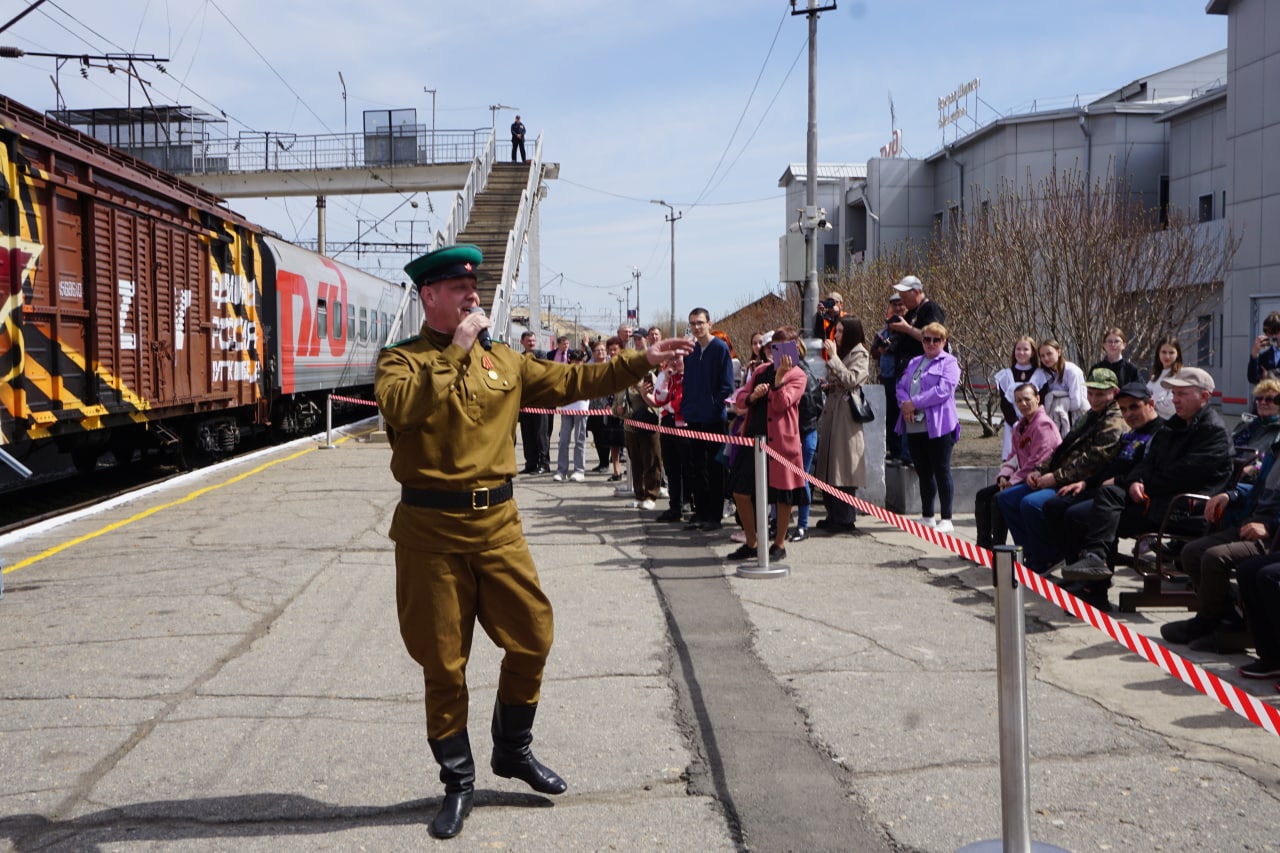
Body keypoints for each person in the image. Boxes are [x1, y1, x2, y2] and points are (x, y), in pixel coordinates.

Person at [374, 243, 692, 839]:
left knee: (533, 636)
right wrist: (458, 350)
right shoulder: (402, 362)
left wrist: (637, 360)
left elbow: (574, 378)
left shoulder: (507, 364)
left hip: (497, 527)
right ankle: (458, 782)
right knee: (444, 662)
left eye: (476, 289)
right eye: (459, 289)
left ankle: (510, 750)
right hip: (430, 536)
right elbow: (402, 409)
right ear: (430, 298)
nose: (474, 296)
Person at [1061, 367, 1232, 585]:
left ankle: (1094, 584)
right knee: (1104, 496)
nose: (1175, 400)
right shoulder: (1176, 424)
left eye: (1182, 394)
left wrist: (1137, 482)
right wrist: (1136, 480)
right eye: (1174, 394)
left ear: (1204, 397)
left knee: (1085, 515)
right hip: (1158, 498)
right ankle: (1094, 564)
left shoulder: (1213, 432)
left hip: (1183, 509)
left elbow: (1181, 476)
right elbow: (1149, 460)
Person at [1042, 382, 1166, 609]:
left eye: (1135, 407)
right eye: (1124, 409)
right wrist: (1084, 482)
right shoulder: (1133, 434)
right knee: (1055, 506)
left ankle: (1096, 589)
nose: (1129, 414)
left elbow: (1150, 471)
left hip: (1137, 500)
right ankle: (1078, 573)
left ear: (1150, 404)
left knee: (1077, 515)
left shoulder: (1161, 433)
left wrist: (1120, 481)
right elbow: (1111, 466)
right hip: (1111, 491)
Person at [997, 368, 1125, 574]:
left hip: (1083, 481)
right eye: (1090, 393)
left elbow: (1093, 460)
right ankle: (1032, 552)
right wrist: (1039, 471)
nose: (1093, 398)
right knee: (1005, 499)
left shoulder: (1113, 420)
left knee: (1031, 503)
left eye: (1100, 394)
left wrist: (1054, 477)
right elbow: (1062, 449)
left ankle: (1048, 556)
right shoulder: (1091, 415)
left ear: (1114, 392)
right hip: (1061, 475)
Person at [727, 326, 809, 562]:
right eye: (775, 346)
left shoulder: (798, 375)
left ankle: (779, 544)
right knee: (740, 491)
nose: (778, 353)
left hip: (781, 444)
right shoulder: (761, 369)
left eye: (784, 347)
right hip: (753, 439)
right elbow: (741, 396)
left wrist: (779, 379)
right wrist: (753, 397)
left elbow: (783, 403)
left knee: (784, 496)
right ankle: (751, 542)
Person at [973, 383, 1061, 551]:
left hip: (1040, 478)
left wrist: (1012, 482)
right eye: (1019, 400)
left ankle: (998, 549)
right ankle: (982, 546)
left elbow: (1037, 461)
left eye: (1027, 399)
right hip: (1022, 476)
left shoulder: (1043, 425)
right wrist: (1004, 476)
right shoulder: (1021, 425)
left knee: (998, 498)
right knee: (982, 496)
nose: (1023, 404)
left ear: (1038, 398)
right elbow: (1014, 455)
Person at [896, 322, 961, 531]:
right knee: (923, 471)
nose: (931, 343)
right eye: (927, 339)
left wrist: (914, 403)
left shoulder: (949, 363)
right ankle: (927, 515)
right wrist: (905, 405)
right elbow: (901, 386)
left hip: (940, 425)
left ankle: (947, 518)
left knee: (941, 470)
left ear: (943, 341)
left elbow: (943, 391)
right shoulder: (915, 361)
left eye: (936, 340)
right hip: (915, 425)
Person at [812, 317, 870, 535]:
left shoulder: (860, 354)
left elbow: (852, 380)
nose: (835, 336)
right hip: (832, 412)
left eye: (840, 331)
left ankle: (845, 518)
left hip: (846, 417)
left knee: (843, 467)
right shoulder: (845, 352)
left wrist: (834, 358)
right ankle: (833, 514)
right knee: (828, 466)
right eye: (835, 331)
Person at [682, 307, 735, 532]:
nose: (697, 327)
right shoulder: (691, 351)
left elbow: (727, 386)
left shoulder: (720, 349)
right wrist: (687, 407)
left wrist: (714, 409)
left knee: (715, 468)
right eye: (693, 323)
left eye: (700, 323)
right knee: (697, 467)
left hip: (713, 419)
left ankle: (715, 515)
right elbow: (689, 383)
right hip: (693, 417)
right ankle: (700, 511)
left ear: (709, 323)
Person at [992, 336, 1051, 460]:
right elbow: (1005, 404)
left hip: (1036, 426)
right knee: (1012, 462)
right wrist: (1016, 424)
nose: (1021, 352)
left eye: (1025, 349)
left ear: (1032, 352)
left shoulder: (1040, 375)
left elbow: (1043, 402)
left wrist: (1032, 423)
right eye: (1018, 349)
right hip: (1012, 426)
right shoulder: (1006, 375)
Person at [888, 275, 945, 389]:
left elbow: (934, 338)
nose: (903, 301)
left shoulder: (930, 309)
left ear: (916, 292)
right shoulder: (911, 313)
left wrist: (907, 329)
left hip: (923, 373)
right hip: (907, 371)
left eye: (904, 297)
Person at [649, 354, 688, 522]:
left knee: (688, 470)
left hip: (684, 426)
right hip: (667, 424)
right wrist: (664, 376)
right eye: (672, 359)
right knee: (671, 469)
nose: (675, 362)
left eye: (678, 358)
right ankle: (675, 507)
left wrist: (667, 404)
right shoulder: (670, 377)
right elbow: (658, 398)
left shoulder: (689, 377)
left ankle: (692, 505)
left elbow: (680, 403)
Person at [870, 294, 908, 463]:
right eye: (894, 305)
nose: (897, 308)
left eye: (900, 304)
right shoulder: (883, 332)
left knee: (902, 416)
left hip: (902, 378)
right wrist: (882, 348)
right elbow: (874, 352)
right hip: (887, 378)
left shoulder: (908, 330)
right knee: (890, 415)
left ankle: (903, 452)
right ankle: (894, 449)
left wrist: (892, 346)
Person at [552, 350, 590, 483]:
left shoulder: (587, 373)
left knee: (579, 440)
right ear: (570, 361)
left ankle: (579, 470)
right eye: (575, 361)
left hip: (581, 409)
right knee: (563, 441)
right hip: (566, 409)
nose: (577, 363)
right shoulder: (564, 373)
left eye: (580, 361)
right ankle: (561, 471)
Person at [1037, 339, 1087, 437]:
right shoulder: (1045, 373)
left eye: (1049, 354)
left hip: (1076, 418)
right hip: (1055, 419)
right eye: (1042, 356)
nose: (1046, 358)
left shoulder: (1071, 371)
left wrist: (1058, 402)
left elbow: (1076, 403)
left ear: (1059, 352)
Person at [517, 331, 551, 475]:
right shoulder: (518, 357)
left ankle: (544, 463)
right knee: (527, 434)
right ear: (522, 342)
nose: (531, 343)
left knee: (540, 434)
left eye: (533, 340)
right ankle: (530, 463)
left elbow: (538, 374)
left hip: (539, 402)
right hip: (524, 403)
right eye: (528, 341)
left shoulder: (541, 355)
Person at [1232, 377, 1280, 458]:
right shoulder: (1246, 424)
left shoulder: (1277, 432)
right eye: (1259, 398)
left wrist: (1256, 469)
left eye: (1269, 399)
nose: (1263, 402)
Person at [1147, 336, 1182, 420]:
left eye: (1171, 353)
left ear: (1177, 354)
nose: (1167, 356)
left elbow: (1173, 406)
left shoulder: (1180, 376)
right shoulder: (1155, 376)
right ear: (1158, 353)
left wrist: (1152, 404)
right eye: (1164, 352)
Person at [1247, 311, 1280, 384]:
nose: (1273, 337)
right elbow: (1253, 379)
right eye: (1270, 334)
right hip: (1267, 394)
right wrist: (1255, 352)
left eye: (1276, 333)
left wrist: (1269, 375)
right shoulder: (1264, 356)